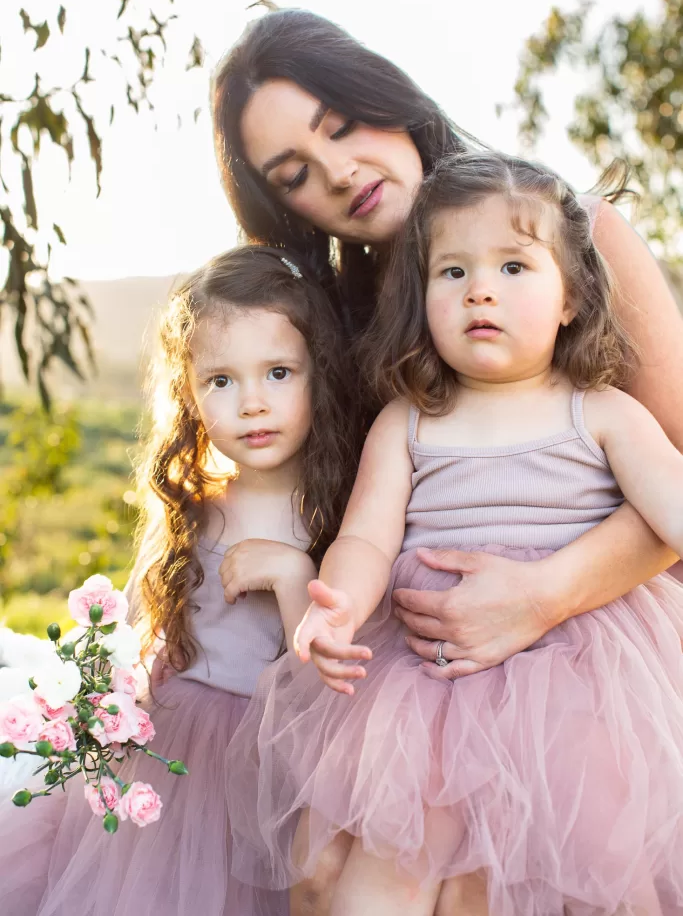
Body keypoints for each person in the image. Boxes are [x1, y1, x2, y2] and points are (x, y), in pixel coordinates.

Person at [226, 153, 683, 916]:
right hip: (422, 680)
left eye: (512, 266)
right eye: (451, 273)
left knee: (602, 872)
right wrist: (335, 605)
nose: (479, 289)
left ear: (570, 296)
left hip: (580, 679)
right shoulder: (407, 421)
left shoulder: (601, 412)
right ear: (421, 297)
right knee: (371, 879)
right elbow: (367, 540)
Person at [0, 246, 360, 916]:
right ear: (190, 397)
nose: (252, 403)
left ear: (319, 375)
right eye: (220, 381)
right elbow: (142, 628)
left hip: (271, 764)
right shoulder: (195, 506)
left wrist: (291, 576)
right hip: (172, 752)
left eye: (278, 372)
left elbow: (325, 689)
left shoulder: (340, 515)